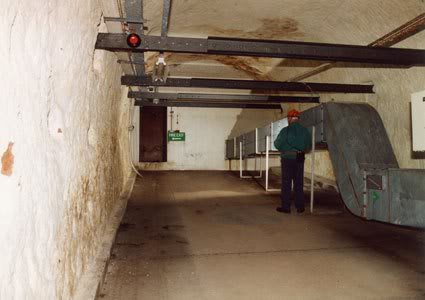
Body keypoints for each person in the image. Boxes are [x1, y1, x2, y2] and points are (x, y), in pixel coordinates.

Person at [274, 109, 312, 214]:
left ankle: (286, 207)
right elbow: (308, 146)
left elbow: (277, 144)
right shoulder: (305, 130)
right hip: (299, 157)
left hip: (287, 158)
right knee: (298, 182)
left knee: (286, 183)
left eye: (288, 118)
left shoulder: (285, 131)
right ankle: (300, 207)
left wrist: (285, 147)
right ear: (298, 118)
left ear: (290, 118)